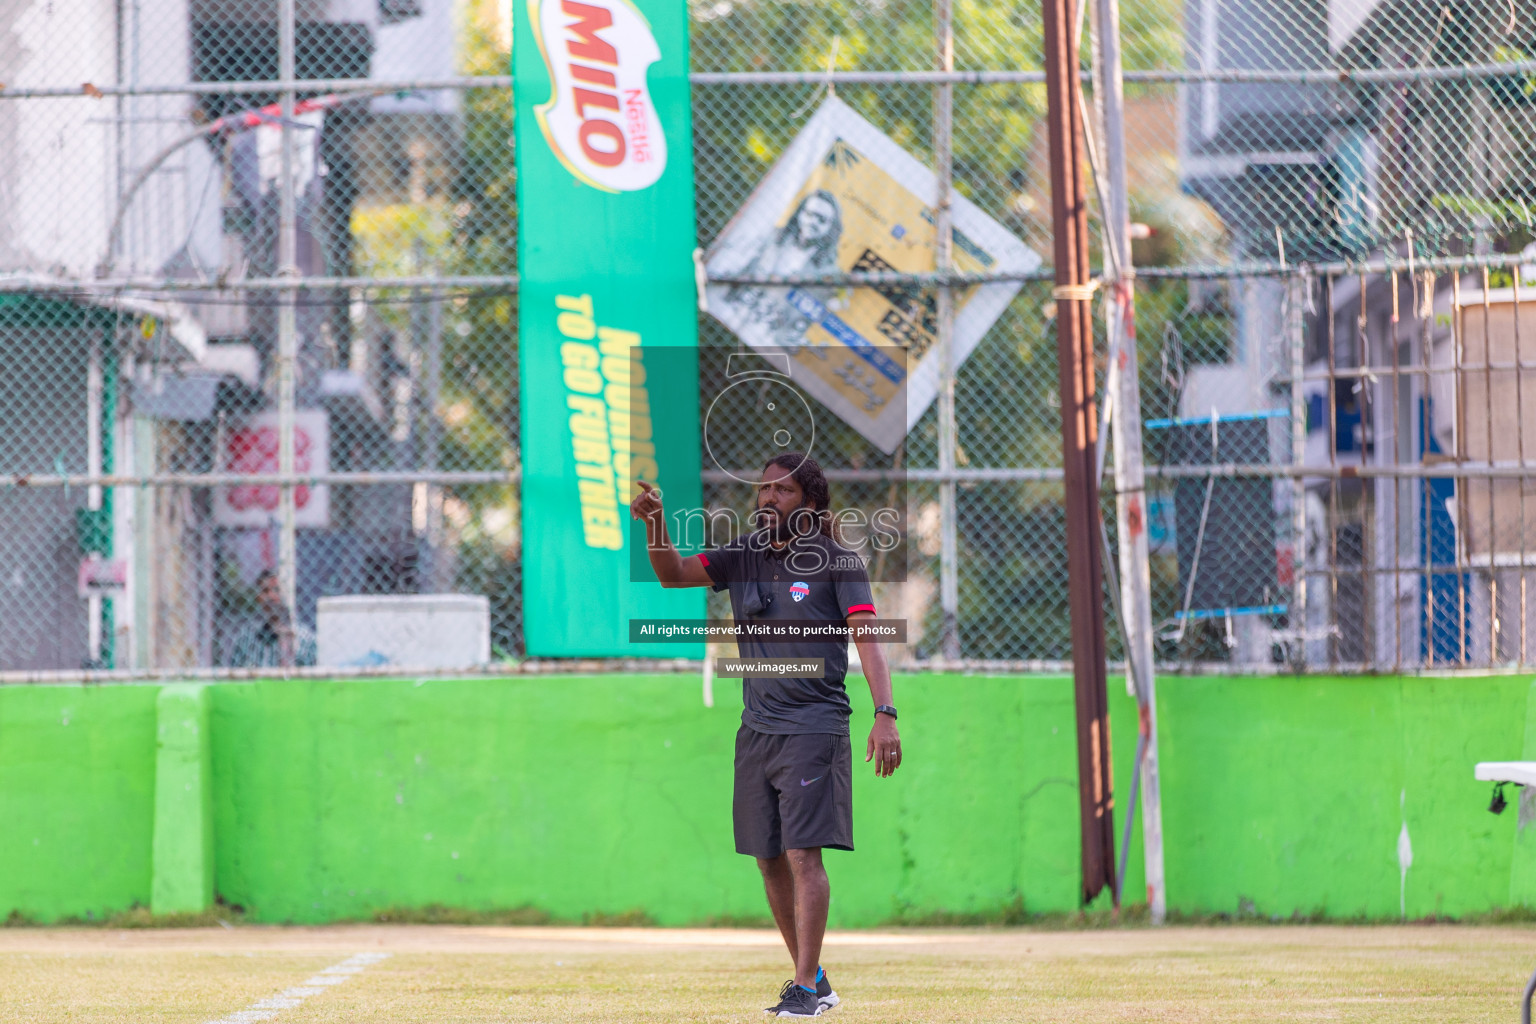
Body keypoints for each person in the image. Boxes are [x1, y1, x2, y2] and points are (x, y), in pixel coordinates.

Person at [630, 452, 901, 1018]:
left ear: (809, 500)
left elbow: (869, 639)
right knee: (767, 857)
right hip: (757, 731)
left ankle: (804, 989)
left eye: (781, 490)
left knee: (805, 856)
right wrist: (655, 525)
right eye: (763, 490)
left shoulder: (837, 560)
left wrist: (885, 713)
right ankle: (815, 978)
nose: (766, 499)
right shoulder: (744, 556)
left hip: (814, 726)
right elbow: (673, 575)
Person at [719, 190, 845, 347]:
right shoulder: (774, 237)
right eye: (810, 214)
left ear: (831, 228)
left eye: (821, 220)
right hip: (734, 315)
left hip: (770, 339)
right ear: (800, 213)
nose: (812, 222)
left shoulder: (827, 272)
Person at [225, 570, 317, 668]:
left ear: (289, 595)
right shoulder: (247, 639)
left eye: (277, 590)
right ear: (258, 598)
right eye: (265, 591)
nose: (271, 596)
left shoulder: (305, 639)